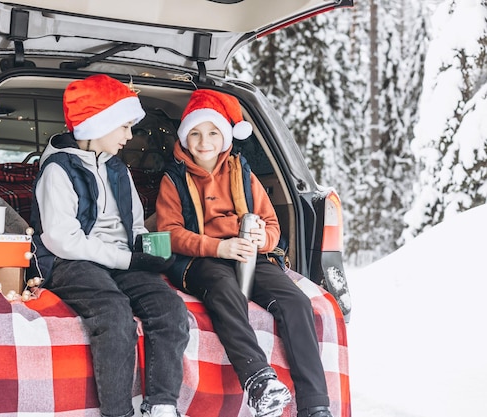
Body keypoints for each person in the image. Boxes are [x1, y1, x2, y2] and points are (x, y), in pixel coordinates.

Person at [155, 89, 333, 417]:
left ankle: (316, 405)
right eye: (194, 133)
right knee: (225, 290)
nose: (203, 141)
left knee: (295, 302)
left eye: (212, 132)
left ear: (225, 136)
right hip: (201, 258)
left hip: (249, 255)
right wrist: (218, 246)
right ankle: (258, 379)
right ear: (184, 138)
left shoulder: (243, 173)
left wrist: (259, 240)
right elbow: (169, 234)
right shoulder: (175, 177)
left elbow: (272, 227)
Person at [29, 74, 190, 417]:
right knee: (115, 315)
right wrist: (126, 259)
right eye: (124, 127)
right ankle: (118, 413)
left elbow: (131, 223)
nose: (129, 136)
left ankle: (162, 404)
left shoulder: (118, 168)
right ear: (97, 124)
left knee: (170, 308)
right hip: (70, 261)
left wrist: (148, 252)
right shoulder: (58, 170)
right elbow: (63, 239)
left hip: (120, 259)